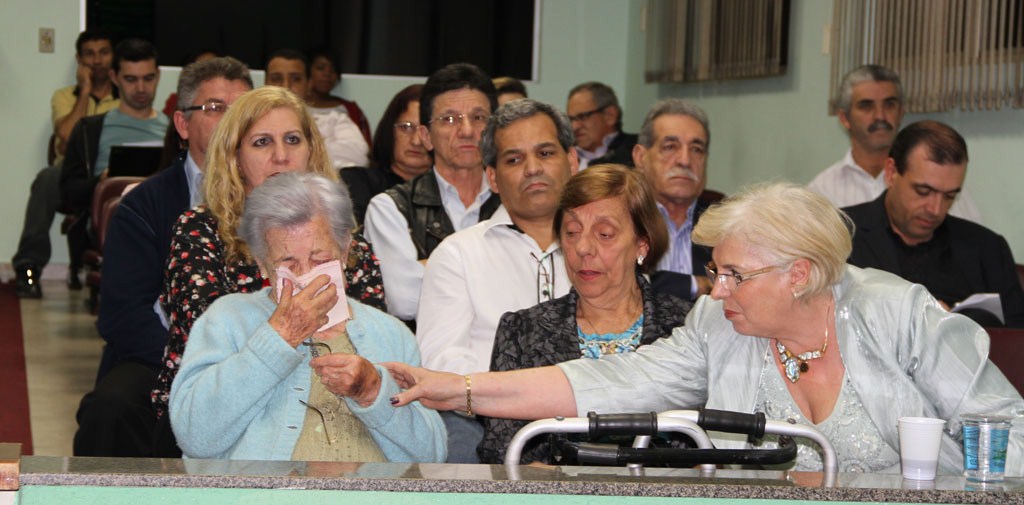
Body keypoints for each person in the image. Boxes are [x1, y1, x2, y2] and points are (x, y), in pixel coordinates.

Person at [387, 182, 1024, 476]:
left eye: (735, 275)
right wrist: (456, 388)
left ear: (799, 274)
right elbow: (607, 383)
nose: (716, 291)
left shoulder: (900, 315)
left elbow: (1011, 436)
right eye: (715, 271)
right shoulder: (720, 323)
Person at [170, 172, 445, 462]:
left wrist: (373, 392)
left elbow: (432, 457)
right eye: (287, 264)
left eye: (320, 260)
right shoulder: (227, 319)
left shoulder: (389, 332)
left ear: (345, 251)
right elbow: (194, 436)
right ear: (263, 264)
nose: (305, 277)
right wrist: (279, 337)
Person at [151, 86, 387, 425]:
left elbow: (371, 336)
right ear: (235, 157)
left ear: (311, 150)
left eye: (293, 140)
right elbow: (210, 338)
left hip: (334, 405)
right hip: (223, 408)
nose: (281, 156)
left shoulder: (346, 238)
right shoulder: (200, 230)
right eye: (262, 142)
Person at [73, 57, 254, 458]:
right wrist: (196, 366)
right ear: (183, 124)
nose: (230, 120)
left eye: (242, 108)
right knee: (112, 409)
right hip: (162, 355)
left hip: (261, 356)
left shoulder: (276, 199)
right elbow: (124, 315)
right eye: (214, 108)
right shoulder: (143, 205)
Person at [478, 164, 692, 465]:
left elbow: (708, 444)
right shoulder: (522, 330)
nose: (583, 248)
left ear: (641, 245)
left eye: (604, 234)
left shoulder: (687, 326)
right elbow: (499, 448)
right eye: (571, 232)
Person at [415, 98, 577, 462]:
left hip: (586, 424)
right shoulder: (459, 254)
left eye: (546, 153)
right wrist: (527, 396)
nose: (533, 169)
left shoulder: (602, 252)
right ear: (493, 178)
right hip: (483, 426)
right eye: (514, 159)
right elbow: (441, 362)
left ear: (573, 161)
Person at [843, 120, 1024, 328]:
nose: (936, 209)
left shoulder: (988, 248)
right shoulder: (840, 235)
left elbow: (1016, 341)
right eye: (923, 191)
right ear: (891, 172)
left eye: (949, 196)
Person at [364, 63, 502, 324]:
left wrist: (432, 267)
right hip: (424, 359)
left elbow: (530, 293)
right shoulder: (391, 208)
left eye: (478, 117)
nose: (466, 131)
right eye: (449, 119)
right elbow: (405, 301)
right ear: (426, 136)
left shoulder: (515, 204)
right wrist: (492, 272)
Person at [13, 30, 120, 298]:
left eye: (104, 53)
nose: (97, 61)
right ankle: (28, 267)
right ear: (79, 59)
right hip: (71, 176)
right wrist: (83, 92)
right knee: (47, 177)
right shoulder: (64, 96)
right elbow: (66, 136)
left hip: (111, 172)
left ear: (113, 57)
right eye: (89, 54)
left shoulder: (125, 99)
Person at [808, 64, 981, 222]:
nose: (880, 116)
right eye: (867, 106)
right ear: (844, 118)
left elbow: (972, 245)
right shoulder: (822, 191)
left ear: (901, 113)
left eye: (889, 105)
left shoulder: (940, 185)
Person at [632, 99, 715, 301]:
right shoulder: (622, 217)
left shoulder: (725, 223)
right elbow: (620, 281)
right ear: (640, 157)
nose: (685, 160)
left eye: (696, 149)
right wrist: (697, 284)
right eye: (670, 147)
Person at [264, 49, 369, 169]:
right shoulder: (250, 121)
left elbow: (358, 156)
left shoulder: (334, 120)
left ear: (309, 84)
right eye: (277, 79)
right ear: (265, 83)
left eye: (296, 79)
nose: (286, 86)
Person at [340, 84, 430, 224]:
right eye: (406, 127)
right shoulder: (356, 183)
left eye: (426, 130)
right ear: (389, 130)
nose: (416, 141)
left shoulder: (449, 193)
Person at [307, 46, 373, 146]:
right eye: (320, 68)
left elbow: (365, 147)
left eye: (333, 70)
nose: (327, 74)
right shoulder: (296, 107)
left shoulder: (351, 109)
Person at [566, 82, 637, 170]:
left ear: (610, 115)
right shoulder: (564, 155)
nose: (574, 127)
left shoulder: (636, 152)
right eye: (571, 119)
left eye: (583, 117)